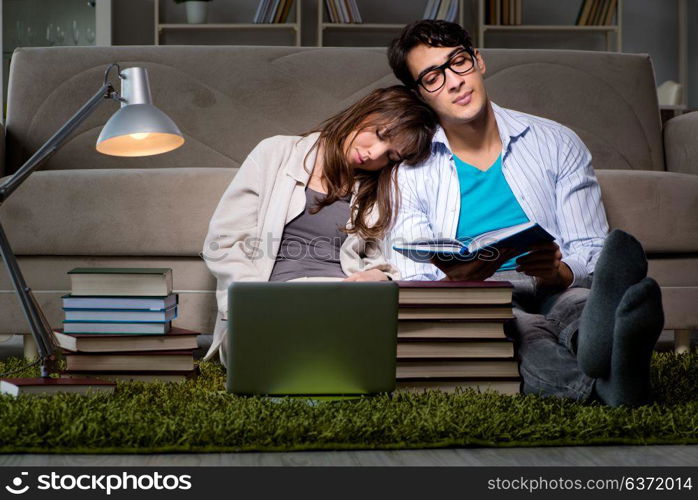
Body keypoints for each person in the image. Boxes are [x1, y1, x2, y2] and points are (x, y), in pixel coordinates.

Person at [386, 20, 664, 407]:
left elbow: (591, 246)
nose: (453, 82)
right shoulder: (408, 172)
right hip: (483, 296)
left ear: (478, 61)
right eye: (433, 77)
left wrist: (559, 271)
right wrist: (459, 279)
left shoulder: (556, 142)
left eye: (458, 62)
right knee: (526, 332)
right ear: (419, 94)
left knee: (579, 305)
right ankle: (614, 380)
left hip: (556, 282)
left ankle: (607, 338)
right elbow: (412, 266)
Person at [201, 86, 438, 366]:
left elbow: (378, 259)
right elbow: (224, 243)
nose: (375, 154)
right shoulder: (275, 152)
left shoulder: (375, 192)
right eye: (380, 134)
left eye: (391, 156)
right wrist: (258, 303)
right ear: (365, 111)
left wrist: (380, 278)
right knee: (279, 348)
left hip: (342, 303)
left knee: (360, 344)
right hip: (268, 306)